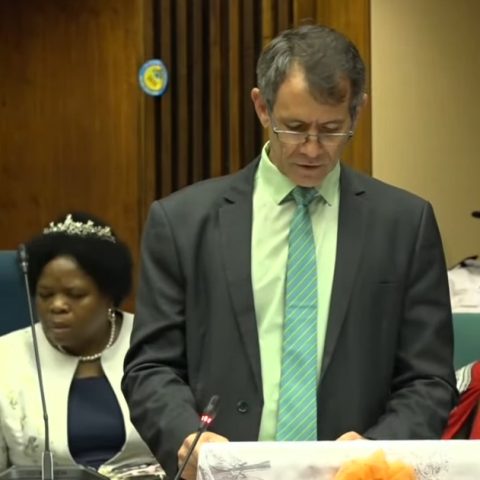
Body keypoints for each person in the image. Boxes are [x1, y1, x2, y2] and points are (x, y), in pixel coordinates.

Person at [122, 24, 457, 480]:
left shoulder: (404, 224)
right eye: (294, 128)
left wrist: (378, 452)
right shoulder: (183, 222)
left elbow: (428, 378)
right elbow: (150, 367)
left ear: (358, 111)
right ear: (261, 106)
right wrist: (187, 437)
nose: (312, 149)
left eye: (332, 130)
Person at [0, 212, 163, 478]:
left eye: (75, 294)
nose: (57, 306)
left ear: (110, 295)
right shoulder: (5, 357)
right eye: (45, 295)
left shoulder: (154, 341)